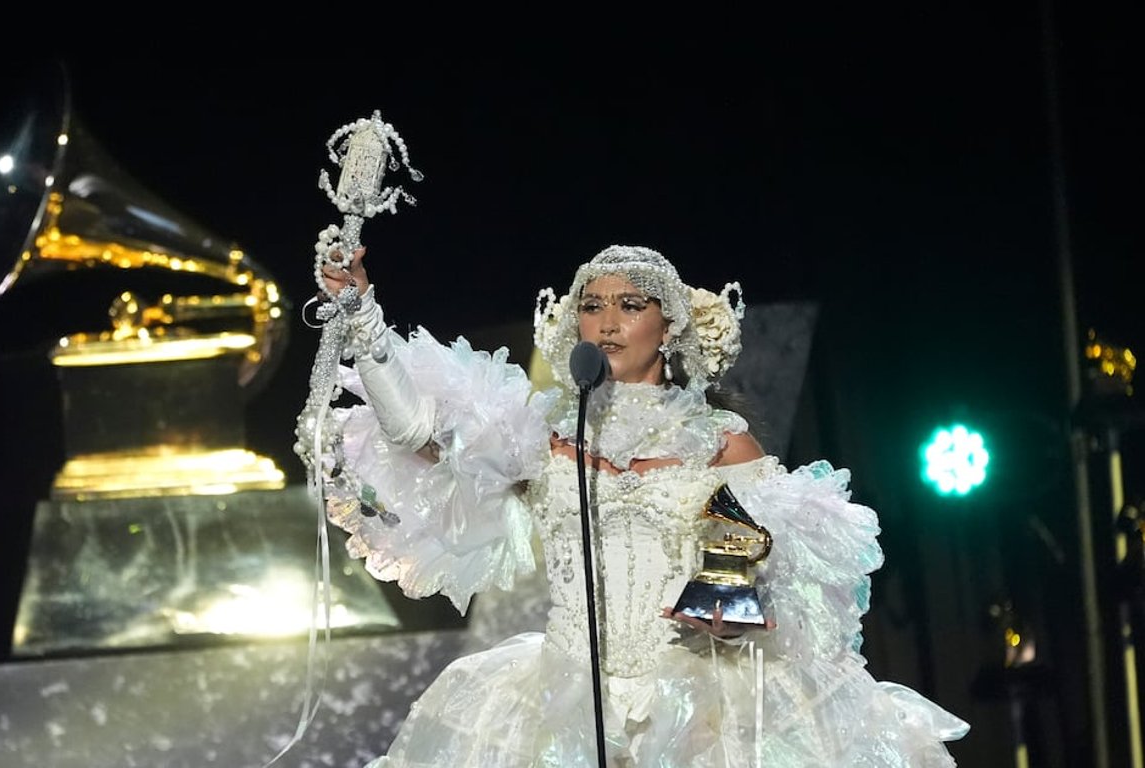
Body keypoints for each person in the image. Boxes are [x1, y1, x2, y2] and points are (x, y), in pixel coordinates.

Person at [308, 238, 970, 766]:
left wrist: (725, 606)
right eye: (592, 306)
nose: (608, 322)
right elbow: (417, 431)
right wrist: (362, 317)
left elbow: (751, 575)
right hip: (562, 701)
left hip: (699, 707)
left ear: (669, 324)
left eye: (630, 305)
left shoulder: (719, 447)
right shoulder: (541, 439)